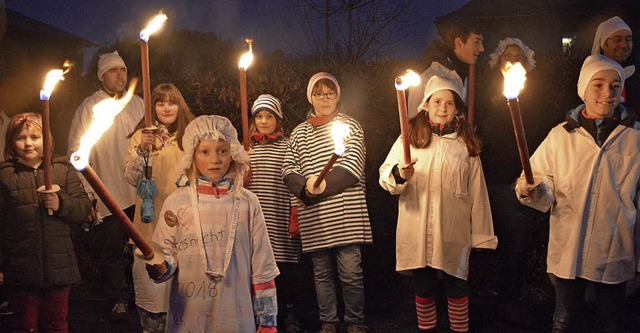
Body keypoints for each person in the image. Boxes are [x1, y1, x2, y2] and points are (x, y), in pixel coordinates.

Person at [515, 54, 640, 332]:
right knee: (566, 319)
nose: (607, 93)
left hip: (615, 246)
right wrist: (533, 189)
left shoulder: (634, 138)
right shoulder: (560, 136)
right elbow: (540, 183)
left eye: (614, 86)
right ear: (583, 89)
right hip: (570, 245)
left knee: (612, 321)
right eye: (598, 85)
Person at [379, 75, 497, 333]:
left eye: (449, 103)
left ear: (457, 109)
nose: (443, 108)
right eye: (437, 102)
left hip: (453, 230)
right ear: (426, 105)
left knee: (456, 284)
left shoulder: (464, 146)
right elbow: (385, 174)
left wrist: (481, 235)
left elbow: (478, 193)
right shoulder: (409, 139)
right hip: (418, 227)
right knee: (424, 286)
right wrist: (399, 175)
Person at [145, 115, 280, 333]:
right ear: (192, 156)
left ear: (233, 154)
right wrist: (161, 266)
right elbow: (165, 253)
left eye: (222, 151)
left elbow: (262, 267)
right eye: (204, 151)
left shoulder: (247, 203)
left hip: (235, 315)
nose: (214, 159)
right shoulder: (177, 202)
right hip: (188, 315)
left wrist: (267, 322)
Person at [282, 72, 372, 333]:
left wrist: (317, 188)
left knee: (351, 273)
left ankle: (355, 321)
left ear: (337, 95)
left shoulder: (350, 126)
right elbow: (288, 169)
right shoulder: (300, 133)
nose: (324, 99)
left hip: (345, 214)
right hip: (315, 217)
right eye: (318, 94)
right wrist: (303, 189)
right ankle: (329, 322)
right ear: (310, 97)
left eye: (329, 93)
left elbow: (352, 166)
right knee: (322, 274)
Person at [67, 50, 144, 316]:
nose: (120, 75)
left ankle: (144, 295)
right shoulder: (88, 107)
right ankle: (118, 298)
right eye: (113, 71)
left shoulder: (138, 103)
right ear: (102, 76)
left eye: (123, 70)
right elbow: (76, 151)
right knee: (110, 250)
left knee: (144, 247)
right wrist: (88, 191)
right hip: (105, 190)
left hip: (138, 192)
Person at [0, 113, 91, 332]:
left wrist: (60, 204)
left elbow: (83, 208)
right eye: (21, 137)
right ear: (12, 141)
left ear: (47, 139)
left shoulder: (62, 169)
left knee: (56, 325)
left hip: (58, 268)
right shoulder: (5, 175)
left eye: (35, 136)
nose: (28, 142)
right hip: (21, 269)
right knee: (24, 326)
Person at [123, 83, 195, 332]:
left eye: (172, 102)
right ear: (152, 107)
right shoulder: (142, 136)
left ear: (180, 105)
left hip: (185, 232)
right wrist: (143, 149)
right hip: (148, 232)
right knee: (153, 310)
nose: (166, 107)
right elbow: (131, 177)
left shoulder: (191, 136)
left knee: (184, 307)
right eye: (160, 103)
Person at [246, 94, 304, 332]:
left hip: (280, 213)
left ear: (278, 119)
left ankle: (288, 312)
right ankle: (260, 315)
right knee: (259, 267)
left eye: (269, 116)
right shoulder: (246, 149)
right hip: (257, 218)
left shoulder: (287, 145)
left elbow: (293, 179)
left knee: (285, 265)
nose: (263, 121)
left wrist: (295, 214)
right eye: (259, 116)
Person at [407, 20, 485, 119]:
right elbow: (414, 125)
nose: (482, 49)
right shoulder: (428, 77)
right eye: (476, 42)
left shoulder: (465, 75)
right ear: (458, 43)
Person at [592, 16, 637, 113]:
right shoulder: (591, 77)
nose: (624, 45)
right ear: (604, 44)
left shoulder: (635, 74)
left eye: (628, 39)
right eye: (618, 40)